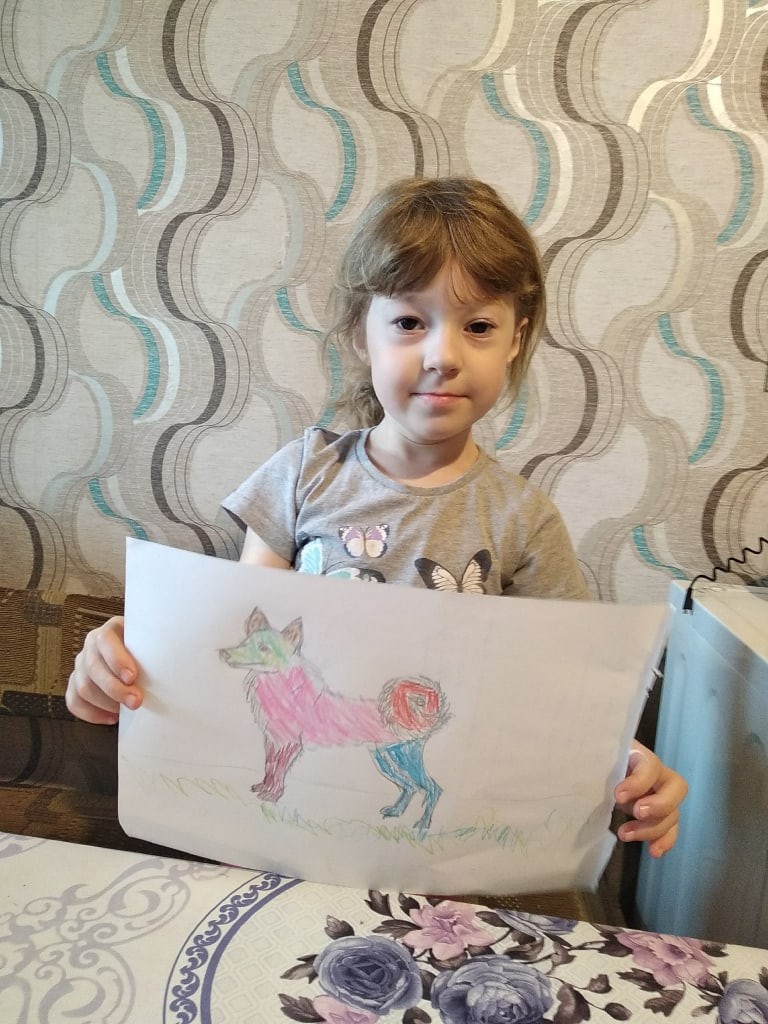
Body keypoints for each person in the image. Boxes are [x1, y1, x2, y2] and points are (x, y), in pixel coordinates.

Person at [66, 177, 686, 858]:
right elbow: (242, 633)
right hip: (289, 838)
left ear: (516, 338)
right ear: (361, 333)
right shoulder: (304, 473)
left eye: (478, 326)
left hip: (439, 859)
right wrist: (129, 655)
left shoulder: (523, 521)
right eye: (410, 322)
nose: (443, 356)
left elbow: (567, 693)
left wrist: (627, 761)